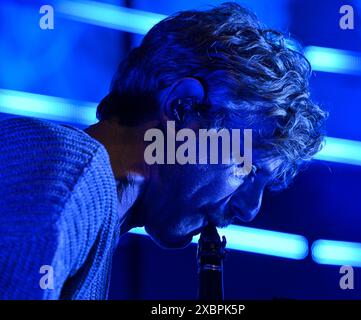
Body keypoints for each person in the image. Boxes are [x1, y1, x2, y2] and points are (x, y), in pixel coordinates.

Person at [0, 2, 327, 299]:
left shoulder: (86, 198)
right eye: (247, 169)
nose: (249, 209)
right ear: (183, 108)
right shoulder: (71, 169)